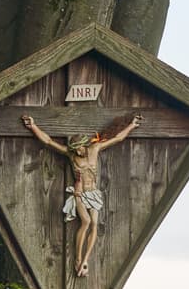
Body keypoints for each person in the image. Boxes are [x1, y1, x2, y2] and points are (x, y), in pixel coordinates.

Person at [21, 112, 139, 276]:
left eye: (79, 148)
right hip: (80, 193)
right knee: (86, 221)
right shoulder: (71, 155)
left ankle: (85, 260)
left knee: (95, 225)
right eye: (74, 149)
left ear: (85, 145)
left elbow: (118, 138)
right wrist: (33, 126)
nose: (77, 152)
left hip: (94, 193)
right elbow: (48, 141)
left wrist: (132, 125)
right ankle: (77, 258)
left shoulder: (95, 149)